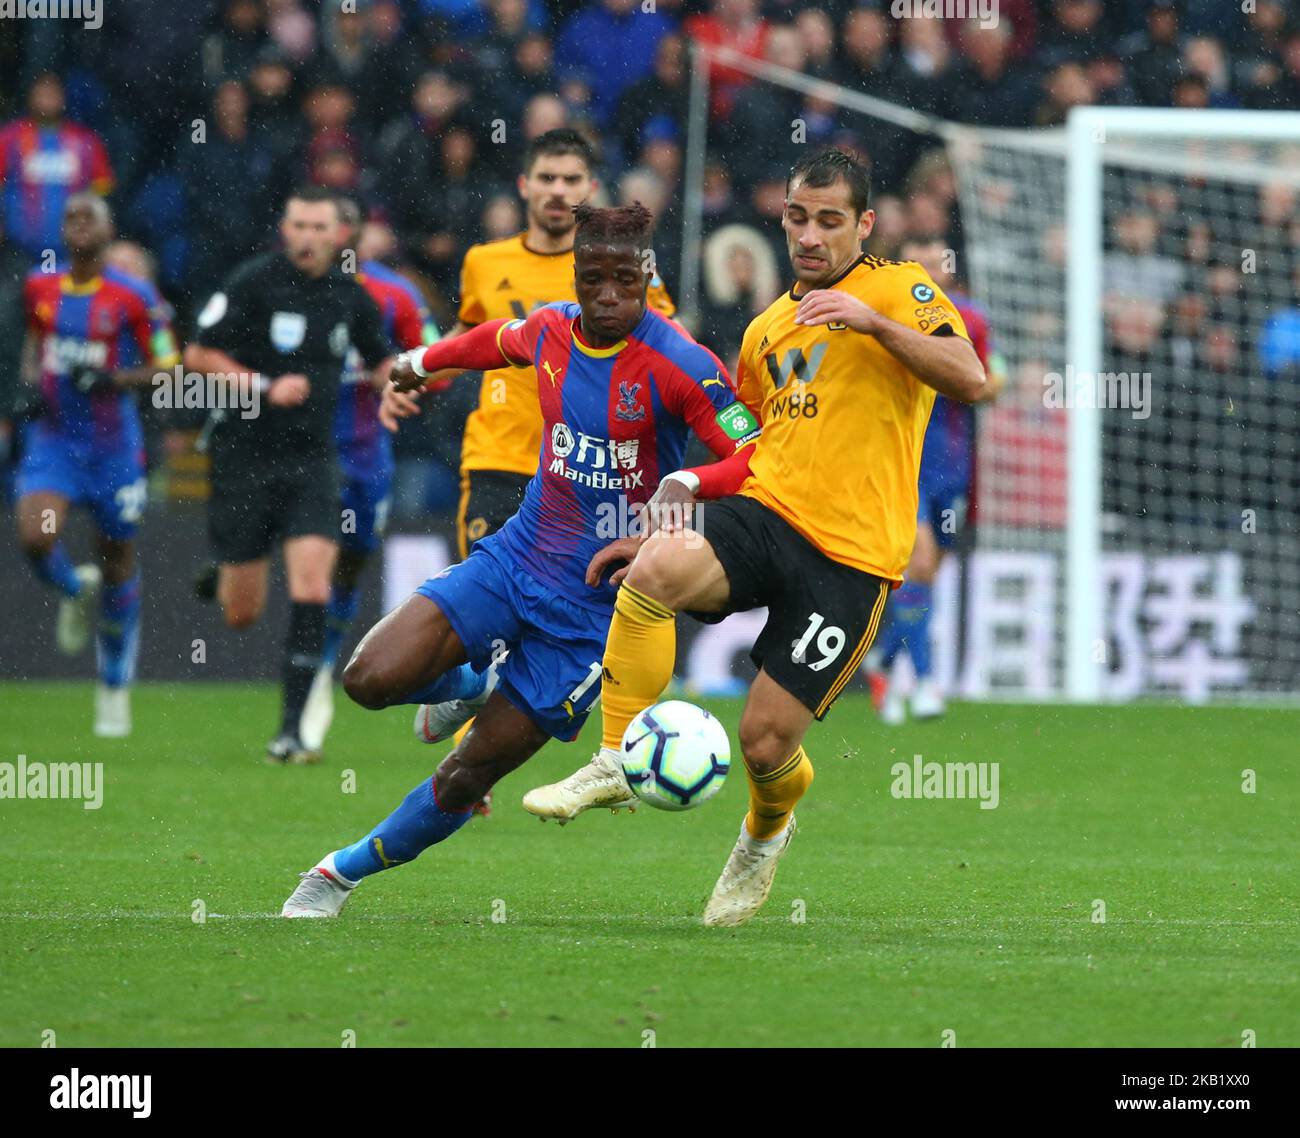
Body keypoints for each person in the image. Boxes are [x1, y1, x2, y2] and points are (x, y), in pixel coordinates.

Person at [523, 149, 986, 927]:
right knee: (656, 571)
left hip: (854, 558)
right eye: (798, 217)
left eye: (830, 221)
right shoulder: (767, 329)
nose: (810, 235)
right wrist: (685, 493)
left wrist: (872, 322)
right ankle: (611, 757)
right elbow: (753, 452)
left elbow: (969, 376)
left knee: (765, 744)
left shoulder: (901, 289)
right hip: (767, 516)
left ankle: (765, 834)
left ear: (863, 224)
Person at [279, 202, 760, 918]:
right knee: (368, 679)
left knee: (471, 773)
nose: (605, 295)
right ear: (575, 273)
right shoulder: (550, 330)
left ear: (647, 276)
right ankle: (470, 682)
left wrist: (682, 496)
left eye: (622, 281)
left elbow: (755, 460)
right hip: (516, 556)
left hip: (595, 615)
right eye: (592, 278)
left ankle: (337, 875)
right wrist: (418, 363)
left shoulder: (684, 365)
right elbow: (489, 342)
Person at [412, 127, 675, 747]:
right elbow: (471, 337)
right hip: (500, 455)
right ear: (525, 186)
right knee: (489, 608)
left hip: (586, 471)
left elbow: (663, 340)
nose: (558, 192)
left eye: (572, 181)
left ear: (590, 192)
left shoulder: (612, 269)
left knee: (578, 615)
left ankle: (587, 745)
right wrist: (422, 373)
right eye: (548, 179)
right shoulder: (485, 261)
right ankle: (470, 761)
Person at [184, 186, 393, 765]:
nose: (306, 236)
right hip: (243, 457)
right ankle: (224, 572)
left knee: (311, 588)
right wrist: (261, 386)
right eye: (297, 224)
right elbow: (197, 355)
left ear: (340, 235)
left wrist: (408, 379)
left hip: (312, 461)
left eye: (318, 227)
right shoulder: (253, 281)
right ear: (285, 228)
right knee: (240, 612)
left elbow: (380, 362)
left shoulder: (351, 298)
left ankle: (291, 733)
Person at [13, 193, 180, 736]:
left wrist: (113, 380)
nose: (78, 225)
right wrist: (28, 384)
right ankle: (71, 588)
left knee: (116, 561)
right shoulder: (40, 287)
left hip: (113, 448)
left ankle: (113, 682)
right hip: (55, 442)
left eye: (90, 217)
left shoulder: (134, 296)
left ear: (109, 231)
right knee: (37, 535)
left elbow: (168, 366)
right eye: (71, 218)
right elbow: (35, 347)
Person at [296, 196, 441, 753]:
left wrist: (402, 387)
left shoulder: (392, 293)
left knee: (350, 560)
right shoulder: (284, 288)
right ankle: (309, 682)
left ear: (352, 234)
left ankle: (324, 660)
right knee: (311, 561)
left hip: (363, 450)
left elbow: (433, 358)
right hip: (299, 452)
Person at [869, 237, 1003, 724]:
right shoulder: (884, 314)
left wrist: (987, 382)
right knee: (916, 563)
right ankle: (925, 683)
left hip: (954, 468)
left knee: (926, 575)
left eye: (935, 263)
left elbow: (991, 377)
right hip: (904, 462)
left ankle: (885, 656)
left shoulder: (971, 319)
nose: (927, 272)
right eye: (917, 264)